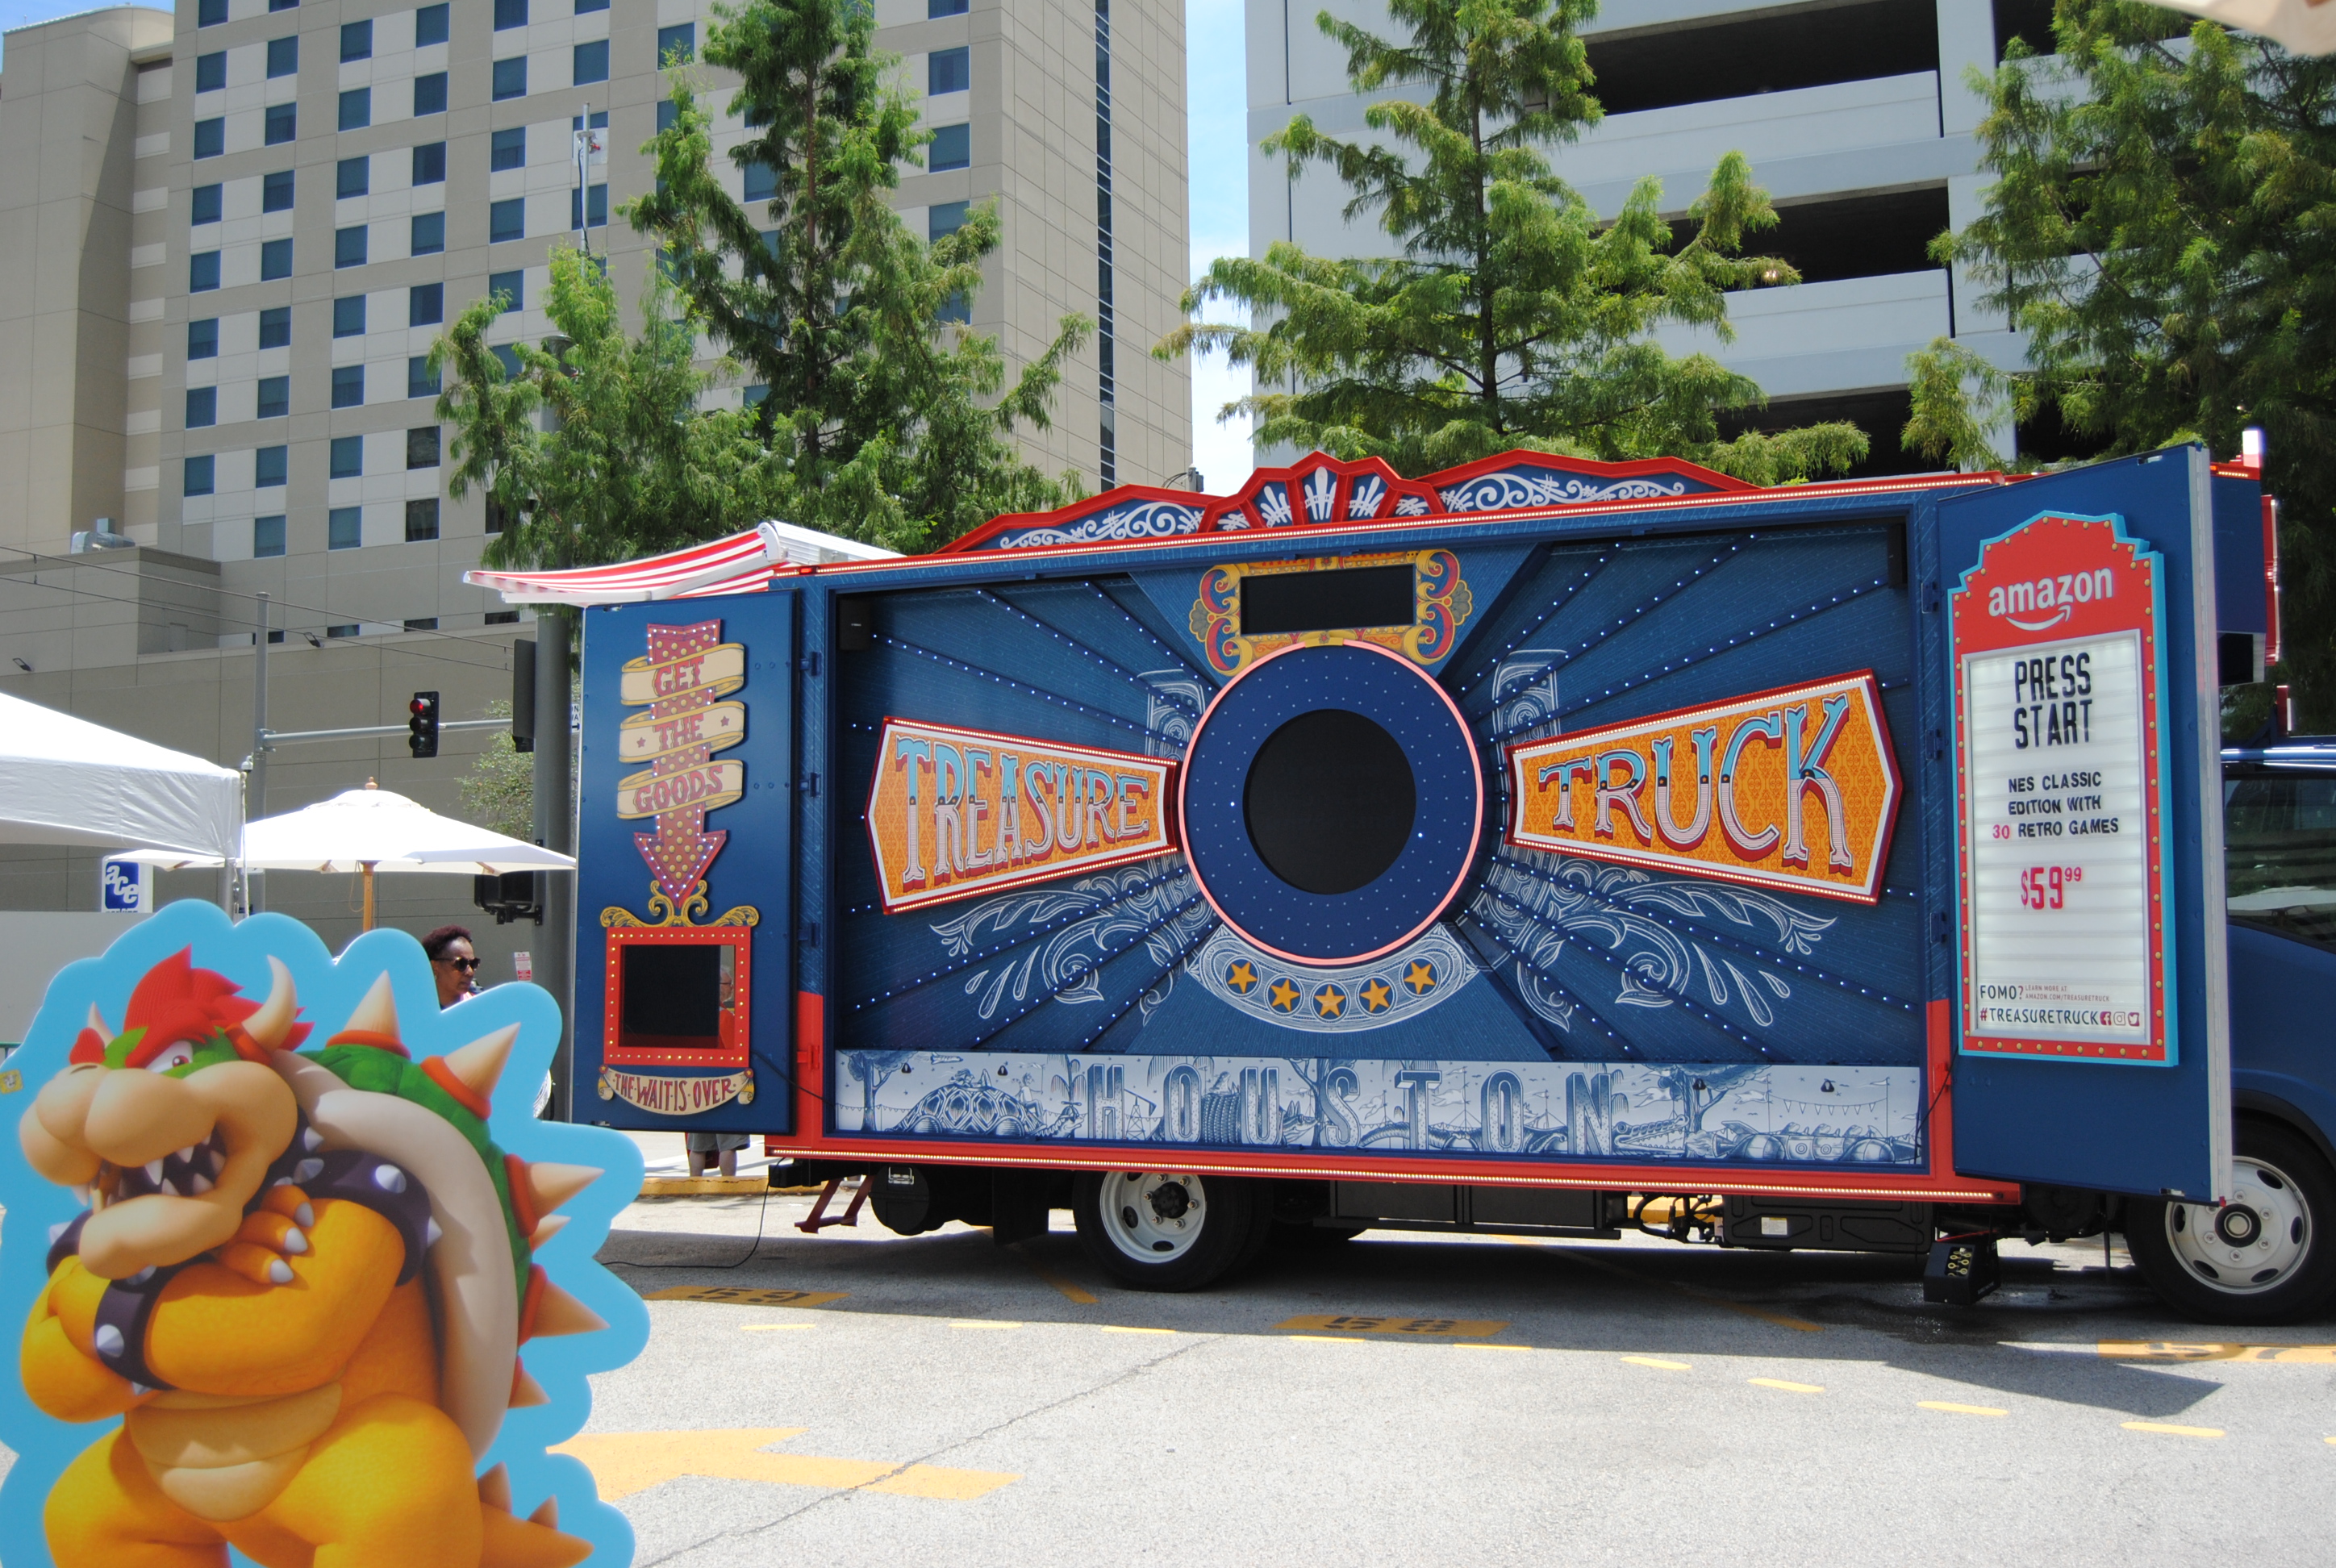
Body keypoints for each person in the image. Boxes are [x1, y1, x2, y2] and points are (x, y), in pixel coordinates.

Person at [421, 925, 479, 1010]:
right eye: (461, 964)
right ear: (435, 967)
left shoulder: (480, 1009)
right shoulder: (412, 1011)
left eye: (473, 964)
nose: (470, 972)